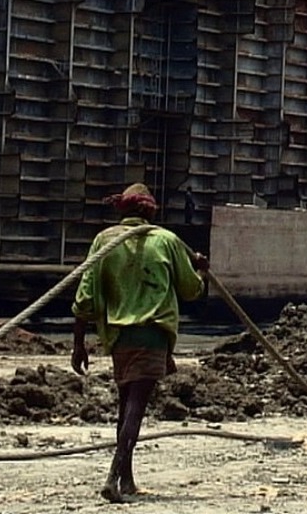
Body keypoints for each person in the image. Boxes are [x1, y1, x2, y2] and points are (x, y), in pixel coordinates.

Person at [71, 182, 209, 503]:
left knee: (126, 405)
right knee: (135, 407)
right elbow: (190, 290)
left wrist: (78, 344)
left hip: (118, 338)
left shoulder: (104, 241)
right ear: (150, 211)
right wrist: (201, 273)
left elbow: (84, 297)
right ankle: (113, 476)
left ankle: (127, 478)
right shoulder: (166, 240)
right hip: (152, 334)